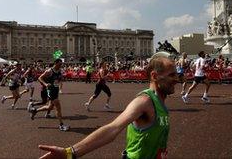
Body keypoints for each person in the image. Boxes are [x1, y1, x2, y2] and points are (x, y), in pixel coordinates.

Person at [38, 51, 179, 159]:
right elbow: (112, 129)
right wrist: (69, 153)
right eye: (172, 75)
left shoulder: (160, 101)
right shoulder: (145, 101)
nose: (176, 79)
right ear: (154, 76)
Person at [29, 59, 69, 131]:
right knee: (58, 106)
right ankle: (61, 125)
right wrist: (45, 84)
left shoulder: (59, 71)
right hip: (50, 90)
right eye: (59, 64)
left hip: (55, 90)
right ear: (55, 63)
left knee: (49, 107)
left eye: (61, 64)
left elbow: (58, 79)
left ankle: (35, 111)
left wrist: (60, 80)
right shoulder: (49, 71)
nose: (61, 65)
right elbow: (40, 78)